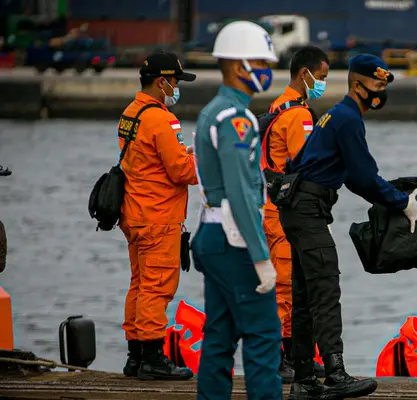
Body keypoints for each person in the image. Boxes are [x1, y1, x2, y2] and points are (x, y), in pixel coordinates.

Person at [277, 53, 417, 399]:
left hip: (299, 207)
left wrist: (388, 197)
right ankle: (335, 374)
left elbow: (321, 168)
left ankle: (304, 381)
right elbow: (363, 176)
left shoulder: (333, 115)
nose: (381, 92)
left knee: (305, 296)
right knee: (326, 289)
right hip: (308, 209)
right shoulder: (348, 119)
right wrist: (403, 201)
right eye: (377, 85)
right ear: (357, 85)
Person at [191, 20, 282, 399]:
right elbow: (241, 193)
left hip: (213, 234)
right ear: (238, 65)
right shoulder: (236, 119)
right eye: (260, 62)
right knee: (263, 336)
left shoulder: (213, 111)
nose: (266, 70)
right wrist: (261, 255)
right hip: (234, 238)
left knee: (219, 335)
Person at [118, 51, 197, 381]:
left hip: (134, 213)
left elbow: (149, 160)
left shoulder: (131, 113)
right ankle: (154, 359)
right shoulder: (162, 119)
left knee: (138, 285)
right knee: (157, 288)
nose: (177, 87)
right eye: (175, 81)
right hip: (158, 215)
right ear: (162, 81)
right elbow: (181, 171)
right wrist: (207, 158)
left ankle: (135, 357)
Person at [257, 45, 330, 380]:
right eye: (323, 77)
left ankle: (292, 355)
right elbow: (307, 162)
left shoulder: (277, 105)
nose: (323, 84)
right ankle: (282, 358)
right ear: (306, 74)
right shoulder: (299, 114)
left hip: (273, 207)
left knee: (287, 285)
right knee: (288, 286)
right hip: (288, 212)